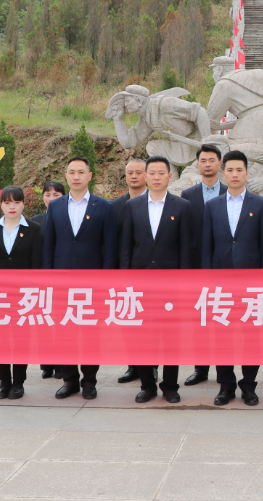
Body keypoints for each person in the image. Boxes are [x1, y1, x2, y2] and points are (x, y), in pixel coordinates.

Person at [202, 150, 263, 406]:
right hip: (221, 284)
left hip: (252, 284)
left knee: (251, 337)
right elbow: (207, 247)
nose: (234, 174)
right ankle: (226, 386)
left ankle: (249, 386)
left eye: (239, 170)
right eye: (230, 170)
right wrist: (207, 283)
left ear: (247, 173)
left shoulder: (261, 204)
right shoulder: (212, 206)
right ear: (224, 173)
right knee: (222, 336)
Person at [42, 156, 117, 400]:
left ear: (89, 176)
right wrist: (48, 279)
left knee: (90, 334)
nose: (76, 176)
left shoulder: (104, 207)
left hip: (92, 282)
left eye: (81, 172)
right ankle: (70, 380)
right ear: (66, 176)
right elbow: (49, 245)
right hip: (62, 280)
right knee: (64, 332)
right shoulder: (55, 206)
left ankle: (89, 381)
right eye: (72, 172)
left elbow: (110, 248)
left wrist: (106, 282)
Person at [119, 156, 191, 404]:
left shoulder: (182, 206)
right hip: (140, 285)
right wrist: (126, 281)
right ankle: (147, 385)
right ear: (146, 176)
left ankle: (170, 386)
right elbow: (126, 247)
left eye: (162, 173)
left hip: (171, 285)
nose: (157, 177)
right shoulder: (133, 206)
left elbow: (185, 248)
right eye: (153, 173)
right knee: (142, 338)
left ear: (170, 176)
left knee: (171, 338)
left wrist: (184, 283)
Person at [0, 186, 42, 400]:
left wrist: (33, 292)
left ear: (23, 204)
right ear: (1, 205)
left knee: (21, 340)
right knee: (0, 340)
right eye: (7, 203)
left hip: (23, 296)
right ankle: (4, 382)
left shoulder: (33, 229)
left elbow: (36, 264)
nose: (12, 207)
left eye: (16, 202)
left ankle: (18, 383)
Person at [181, 144, 226, 387]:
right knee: (200, 320)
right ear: (197, 164)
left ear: (220, 163)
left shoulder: (231, 192)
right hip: (198, 268)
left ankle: (224, 370)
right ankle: (200, 369)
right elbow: (185, 236)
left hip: (225, 267)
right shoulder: (188, 195)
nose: (208, 164)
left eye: (212, 160)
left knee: (223, 319)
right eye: (203, 160)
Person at [113, 157, 149, 385]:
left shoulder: (156, 202)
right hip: (125, 274)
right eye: (130, 173)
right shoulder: (115, 206)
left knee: (151, 325)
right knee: (129, 323)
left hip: (151, 273)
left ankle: (151, 366)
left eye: (138, 172)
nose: (134, 176)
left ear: (146, 175)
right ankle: (133, 365)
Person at [31, 180, 64, 380]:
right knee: (44, 322)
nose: (51, 199)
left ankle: (61, 364)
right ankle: (47, 364)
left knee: (61, 322)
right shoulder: (35, 221)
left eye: (56, 195)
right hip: (41, 278)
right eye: (47, 194)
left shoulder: (66, 218)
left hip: (61, 278)